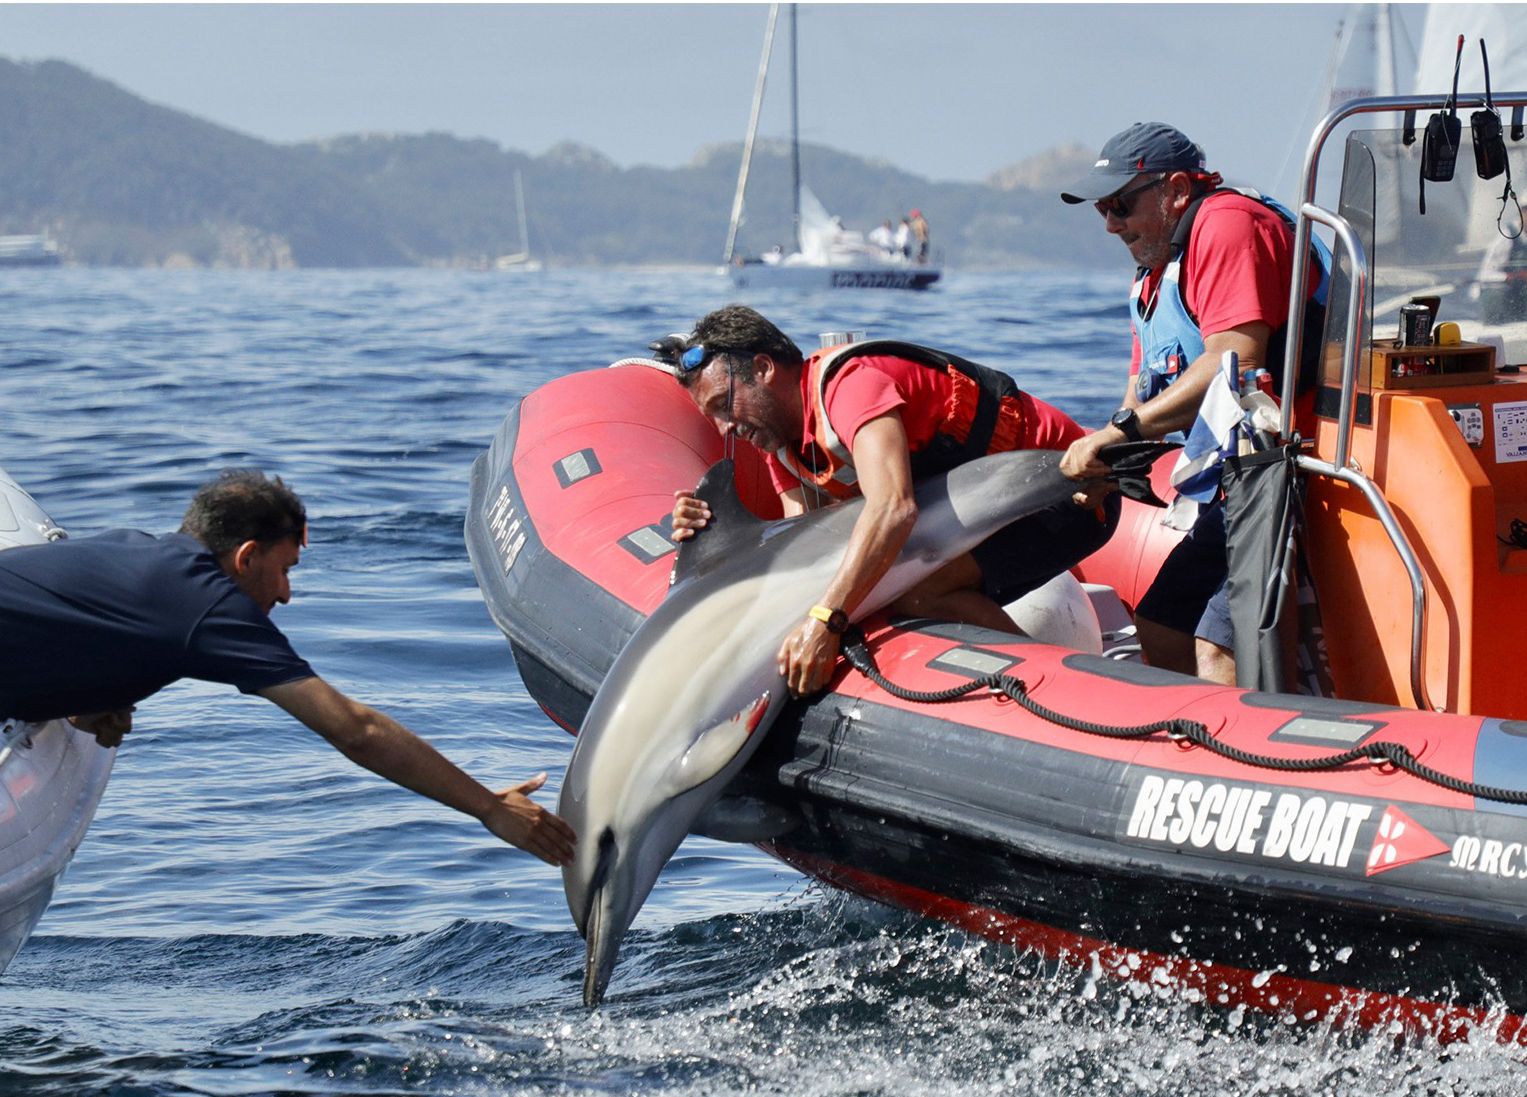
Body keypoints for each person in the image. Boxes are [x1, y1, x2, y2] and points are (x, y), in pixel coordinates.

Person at [0, 469, 577, 866]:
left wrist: (83, 694)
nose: (287, 594)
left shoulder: (136, 552)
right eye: (285, 569)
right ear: (246, 557)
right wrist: (488, 807)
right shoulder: (207, 605)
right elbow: (357, 730)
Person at [667, 305, 1119, 699]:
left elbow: (894, 509)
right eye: (713, 418)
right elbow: (805, 552)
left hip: (1066, 494)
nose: (724, 428)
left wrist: (826, 621)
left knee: (917, 592)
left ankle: (1054, 691)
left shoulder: (849, 388)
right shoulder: (783, 448)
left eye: (723, 405)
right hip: (982, 518)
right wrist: (709, 530)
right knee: (866, 591)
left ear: (764, 369)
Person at [1056, 121, 1326, 685]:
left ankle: (1234, 754)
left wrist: (1116, 434)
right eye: (1100, 209)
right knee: (1162, 624)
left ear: (1177, 189)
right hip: (1235, 478)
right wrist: (1110, 461)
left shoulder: (1229, 227)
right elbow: (1141, 393)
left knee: (1215, 644)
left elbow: (1235, 362)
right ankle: (1183, 741)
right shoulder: (1152, 277)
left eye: (1121, 205)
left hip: (1286, 472)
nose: (1110, 224)